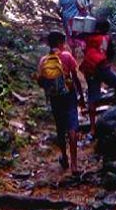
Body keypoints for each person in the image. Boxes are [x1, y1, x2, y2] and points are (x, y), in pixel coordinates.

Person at [36, 30, 86, 175]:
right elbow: (75, 77)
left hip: (54, 98)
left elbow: (40, 81)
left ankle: (64, 158)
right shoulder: (66, 56)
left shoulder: (43, 60)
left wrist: (50, 88)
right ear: (60, 42)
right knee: (72, 127)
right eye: (63, 42)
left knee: (60, 127)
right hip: (69, 95)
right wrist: (81, 97)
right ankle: (74, 165)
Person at [78, 18, 116, 138]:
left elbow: (84, 49)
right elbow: (110, 55)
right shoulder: (106, 38)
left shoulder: (88, 37)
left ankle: (93, 128)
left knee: (92, 96)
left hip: (89, 68)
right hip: (101, 67)